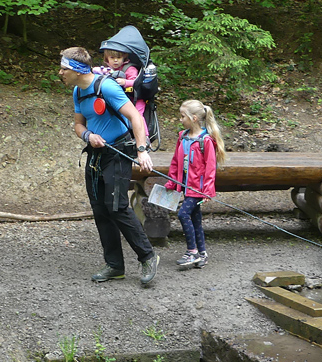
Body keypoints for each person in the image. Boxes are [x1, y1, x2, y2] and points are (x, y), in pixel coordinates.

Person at [60, 46, 160, 286]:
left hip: (119, 151)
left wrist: (142, 150)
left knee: (117, 207)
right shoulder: (78, 91)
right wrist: (88, 136)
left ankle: (148, 256)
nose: (60, 73)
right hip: (96, 154)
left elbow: (135, 117)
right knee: (100, 209)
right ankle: (115, 265)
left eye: (64, 68)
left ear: (77, 70)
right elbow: (78, 125)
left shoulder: (106, 87)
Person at [163, 100, 226, 268]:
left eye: (183, 116)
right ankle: (202, 254)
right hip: (185, 186)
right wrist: (172, 182)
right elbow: (176, 162)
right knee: (195, 219)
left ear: (194, 118)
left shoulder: (205, 140)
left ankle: (192, 252)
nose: (180, 119)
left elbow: (210, 168)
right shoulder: (182, 137)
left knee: (183, 214)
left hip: (197, 188)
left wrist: (207, 190)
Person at [93, 47, 146, 138]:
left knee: (137, 115)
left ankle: (145, 136)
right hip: (118, 99)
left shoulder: (130, 69)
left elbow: (136, 82)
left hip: (135, 98)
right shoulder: (107, 70)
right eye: (112, 58)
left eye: (119, 58)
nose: (115, 60)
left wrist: (125, 82)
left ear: (124, 57)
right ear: (107, 58)